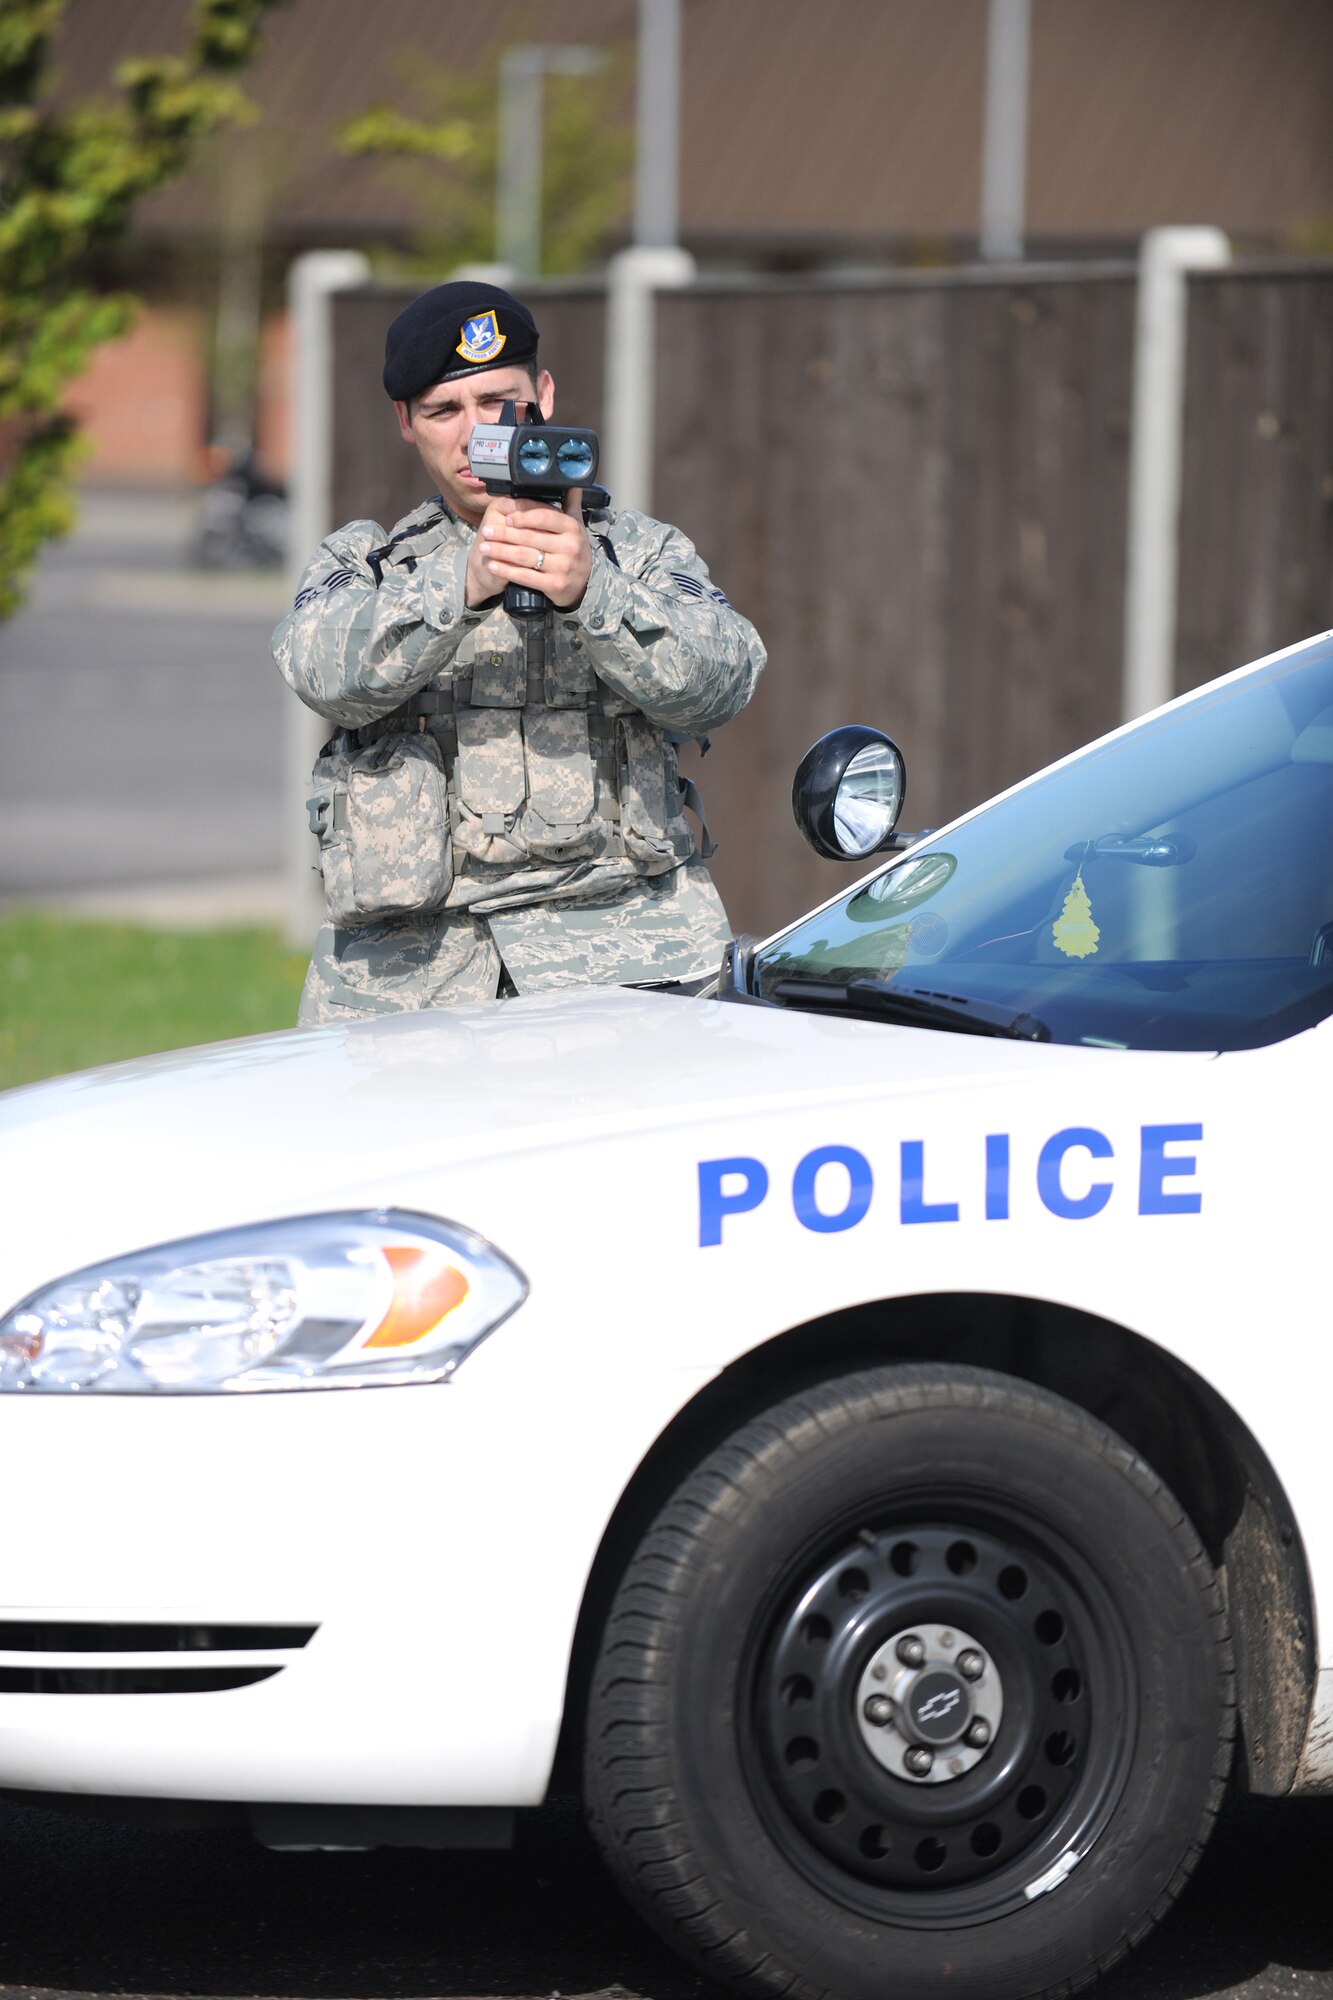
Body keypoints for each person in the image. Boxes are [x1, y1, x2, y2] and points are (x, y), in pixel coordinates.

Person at [273, 280, 766, 1026]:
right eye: (444, 411)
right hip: (408, 981)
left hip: (627, 964)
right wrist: (461, 585)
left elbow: (725, 679)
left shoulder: (635, 552)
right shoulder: (368, 563)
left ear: (543, 394)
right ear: (406, 423)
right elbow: (319, 671)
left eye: (498, 403)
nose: (476, 436)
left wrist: (593, 593)